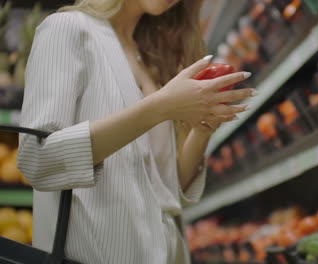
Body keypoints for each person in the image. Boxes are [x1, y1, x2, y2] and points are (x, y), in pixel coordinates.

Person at [17, 0, 255, 263]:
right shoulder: (67, 29)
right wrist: (160, 107)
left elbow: (167, 193)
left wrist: (201, 131)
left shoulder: (149, 57)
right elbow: (37, 159)